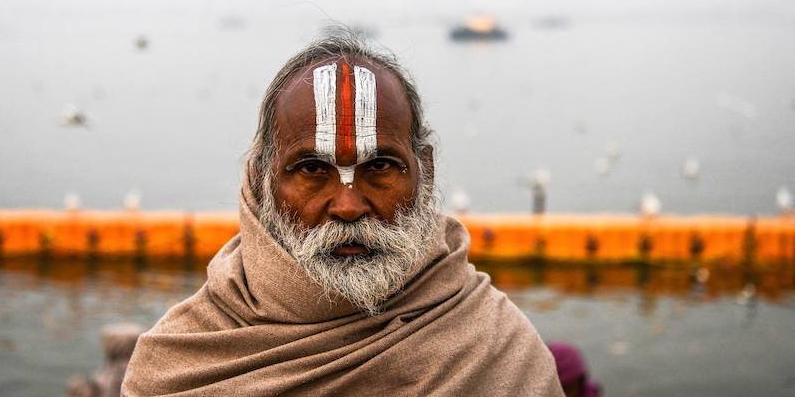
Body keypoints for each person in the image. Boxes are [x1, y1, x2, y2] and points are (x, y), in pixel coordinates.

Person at [122, 33, 562, 396]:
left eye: (380, 167)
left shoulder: (498, 350)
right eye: (312, 169)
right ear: (261, 181)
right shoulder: (180, 364)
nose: (348, 207)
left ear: (424, 171)